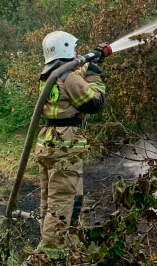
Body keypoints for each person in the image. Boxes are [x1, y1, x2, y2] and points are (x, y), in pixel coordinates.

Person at [35, 30, 106, 249]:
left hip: (49, 141)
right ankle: (51, 256)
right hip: (65, 144)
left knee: (51, 201)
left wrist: (85, 66)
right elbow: (94, 103)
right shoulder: (70, 76)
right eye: (73, 48)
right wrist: (94, 73)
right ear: (66, 48)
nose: (76, 51)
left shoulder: (50, 75)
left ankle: (61, 244)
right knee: (61, 203)